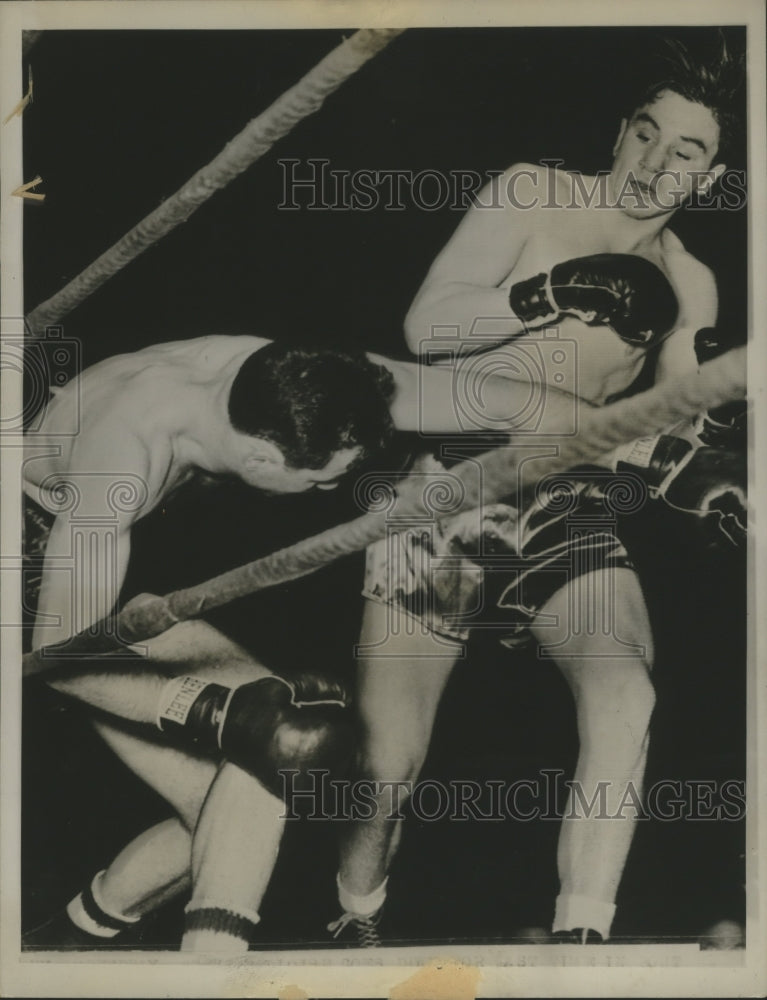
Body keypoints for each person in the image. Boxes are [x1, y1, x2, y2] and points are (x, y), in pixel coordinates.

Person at [330, 36, 746, 946]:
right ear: (618, 132)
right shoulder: (533, 191)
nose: (653, 165)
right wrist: (553, 292)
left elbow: (669, 419)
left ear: (709, 181)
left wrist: (711, 430)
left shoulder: (691, 282)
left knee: (625, 695)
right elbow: (427, 326)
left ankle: (581, 935)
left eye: (685, 154)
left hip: (566, 492)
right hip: (448, 485)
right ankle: (354, 916)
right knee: (384, 774)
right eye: (645, 135)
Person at [23, 333, 587, 951]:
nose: (329, 492)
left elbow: (503, 402)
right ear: (264, 460)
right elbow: (58, 654)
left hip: (83, 550)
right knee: (267, 736)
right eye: (321, 481)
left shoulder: (295, 378)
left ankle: (74, 938)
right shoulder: (121, 460)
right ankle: (210, 972)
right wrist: (211, 710)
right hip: (25, 570)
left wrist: (661, 448)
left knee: (284, 745)